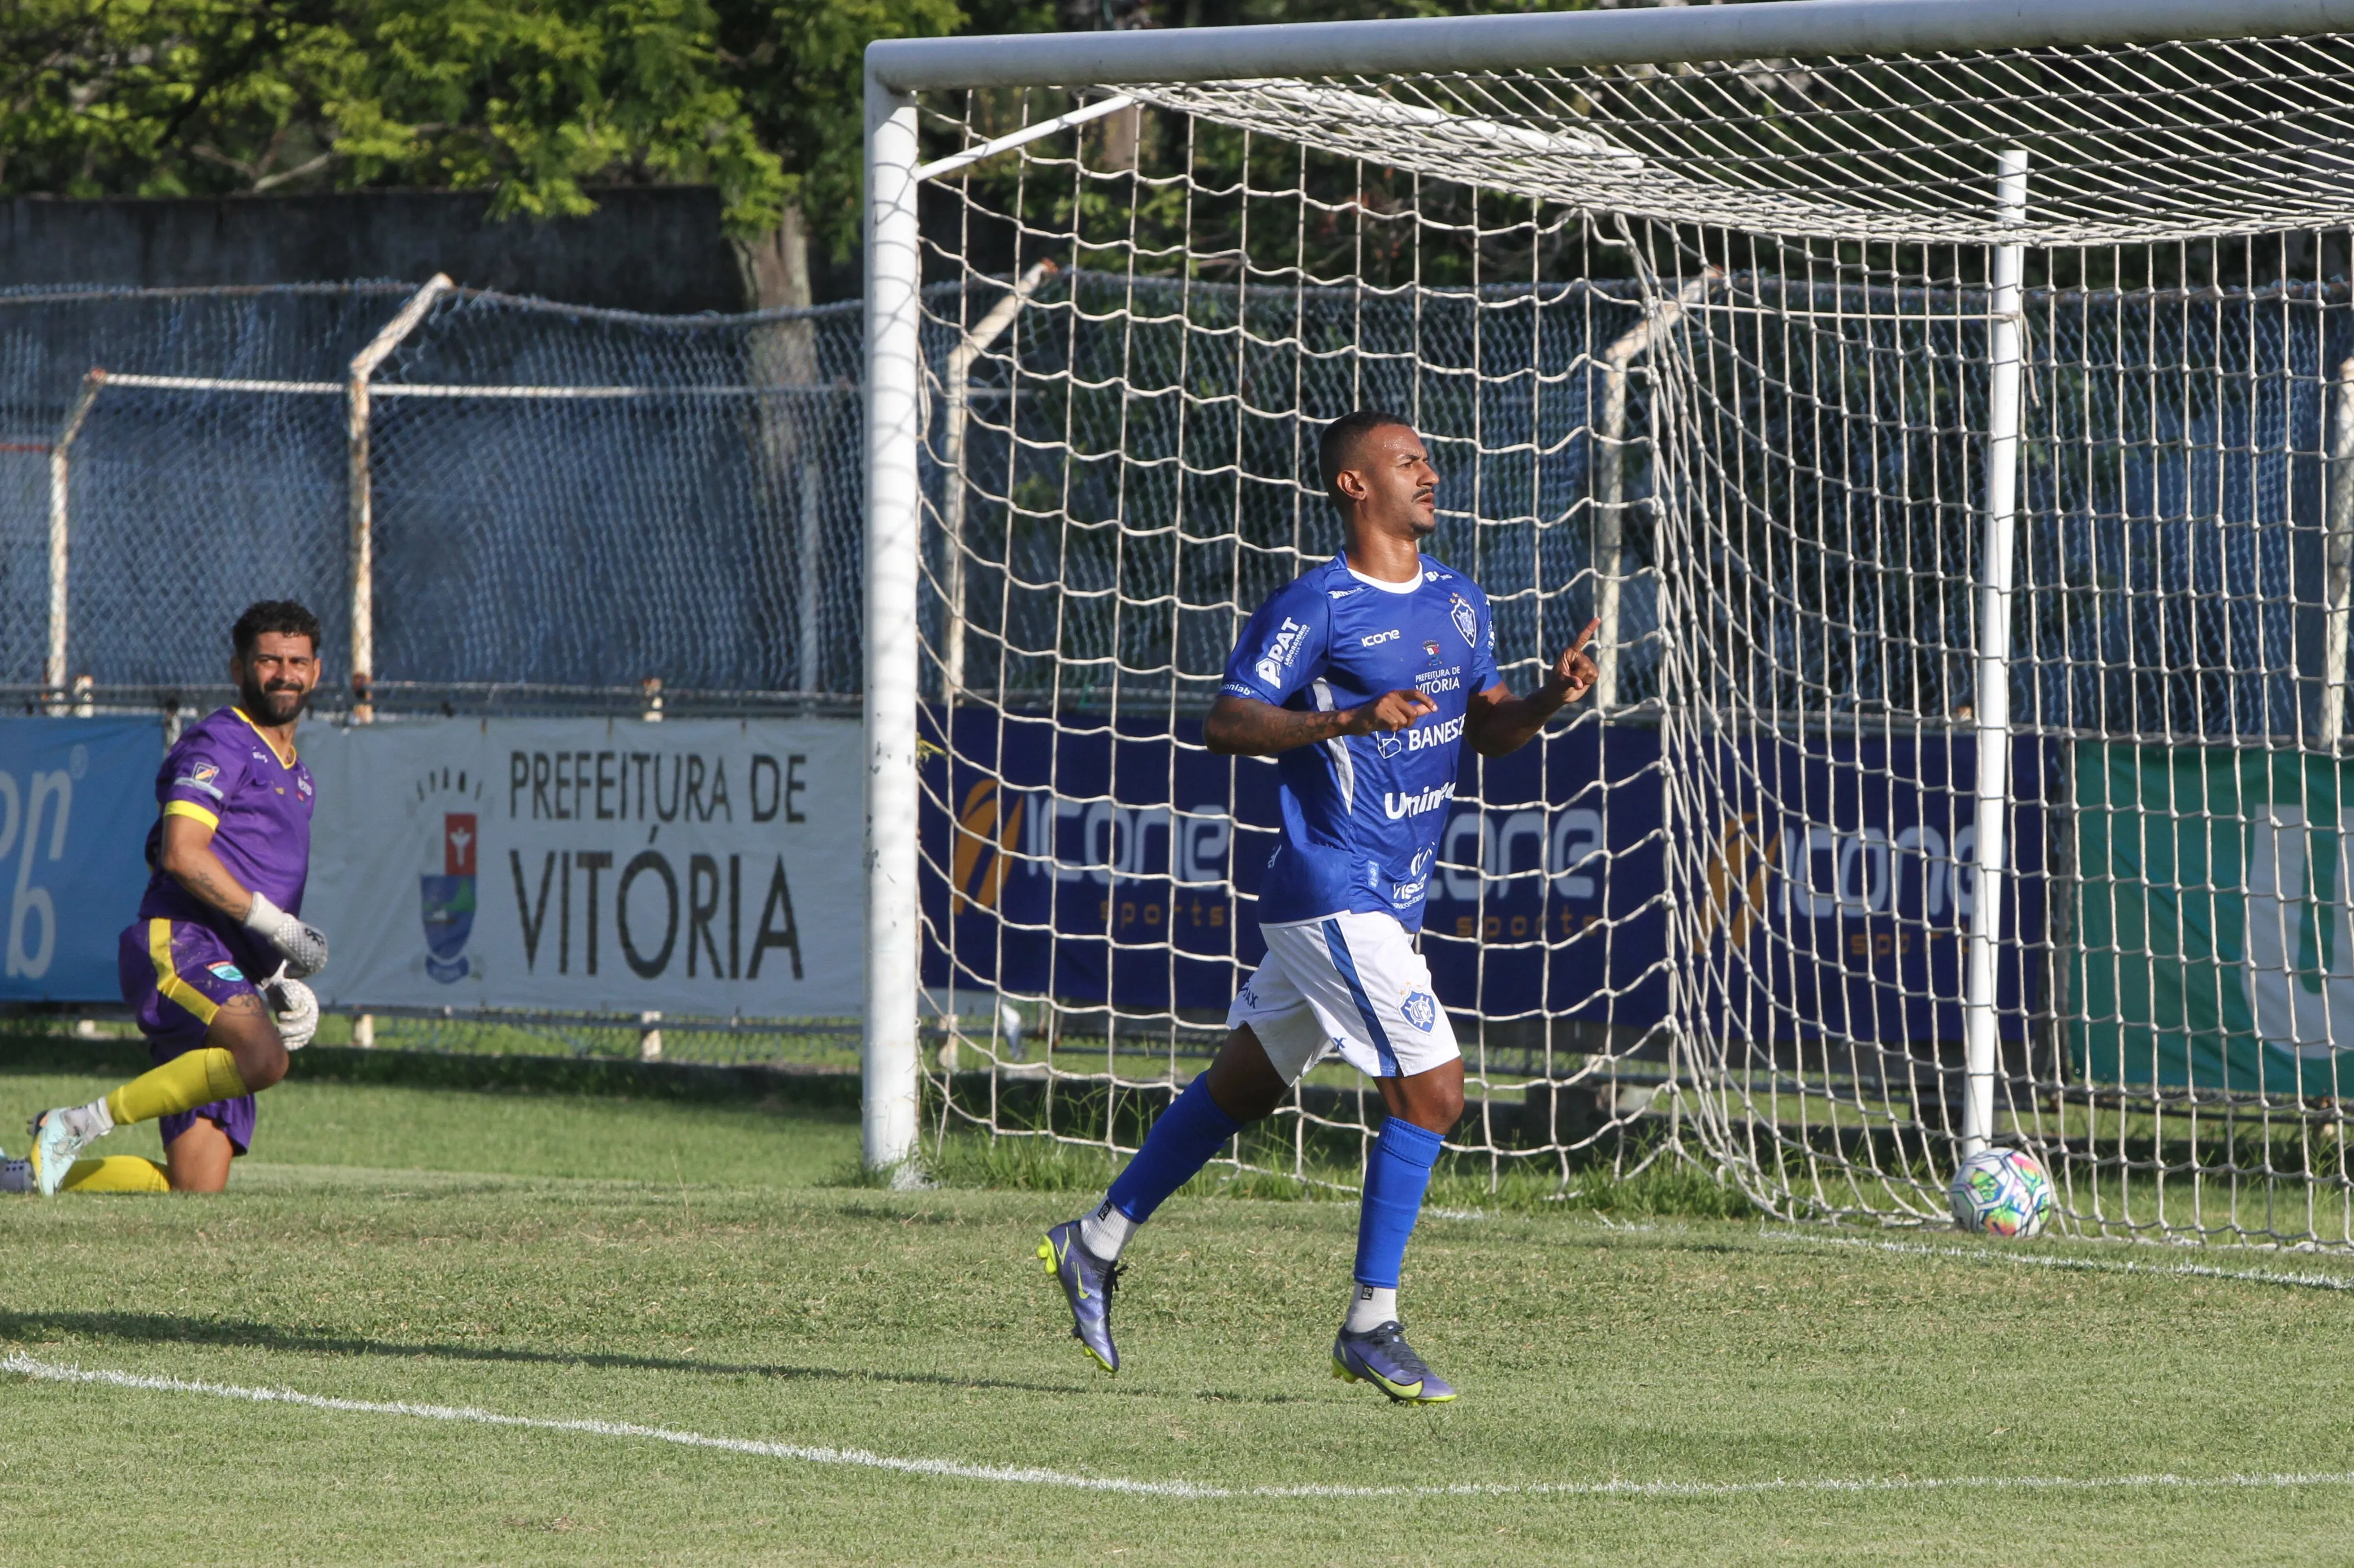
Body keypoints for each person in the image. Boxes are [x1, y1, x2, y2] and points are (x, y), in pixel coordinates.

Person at [1038, 410, 1599, 1403]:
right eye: (1405, 461)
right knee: (1434, 1091)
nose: (1428, 472)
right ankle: (1369, 1322)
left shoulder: (1462, 602)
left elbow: (1486, 731)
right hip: (1328, 884)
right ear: (1353, 487)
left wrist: (1547, 699)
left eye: (1427, 458)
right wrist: (1344, 714)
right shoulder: (1320, 604)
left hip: (1390, 892)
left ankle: (1093, 1238)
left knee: (1244, 1087)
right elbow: (1225, 720)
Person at [13, 601, 328, 1196]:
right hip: (182, 944)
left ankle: (23, 1178)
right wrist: (279, 926)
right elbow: (182, 854)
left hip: (235, 971)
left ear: (315, 671)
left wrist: (279, 977)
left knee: (194, 1188)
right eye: (268, 660)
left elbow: (212, 862)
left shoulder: (300, 776)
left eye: (297, 661)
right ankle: (76, 1123)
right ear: (238, 669)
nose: (283, 673)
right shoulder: (222, 741)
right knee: (265, 1060)